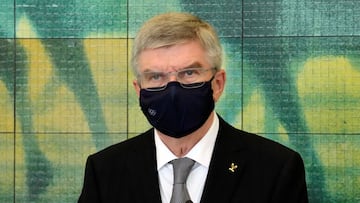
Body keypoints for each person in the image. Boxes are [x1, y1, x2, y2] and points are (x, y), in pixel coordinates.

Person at [78, 12, 309, 203]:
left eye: (189, 73)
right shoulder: (105, 171)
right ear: (139, 90)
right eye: (156, 76)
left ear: (217, 84)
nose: (173, 90)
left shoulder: (275, 168)